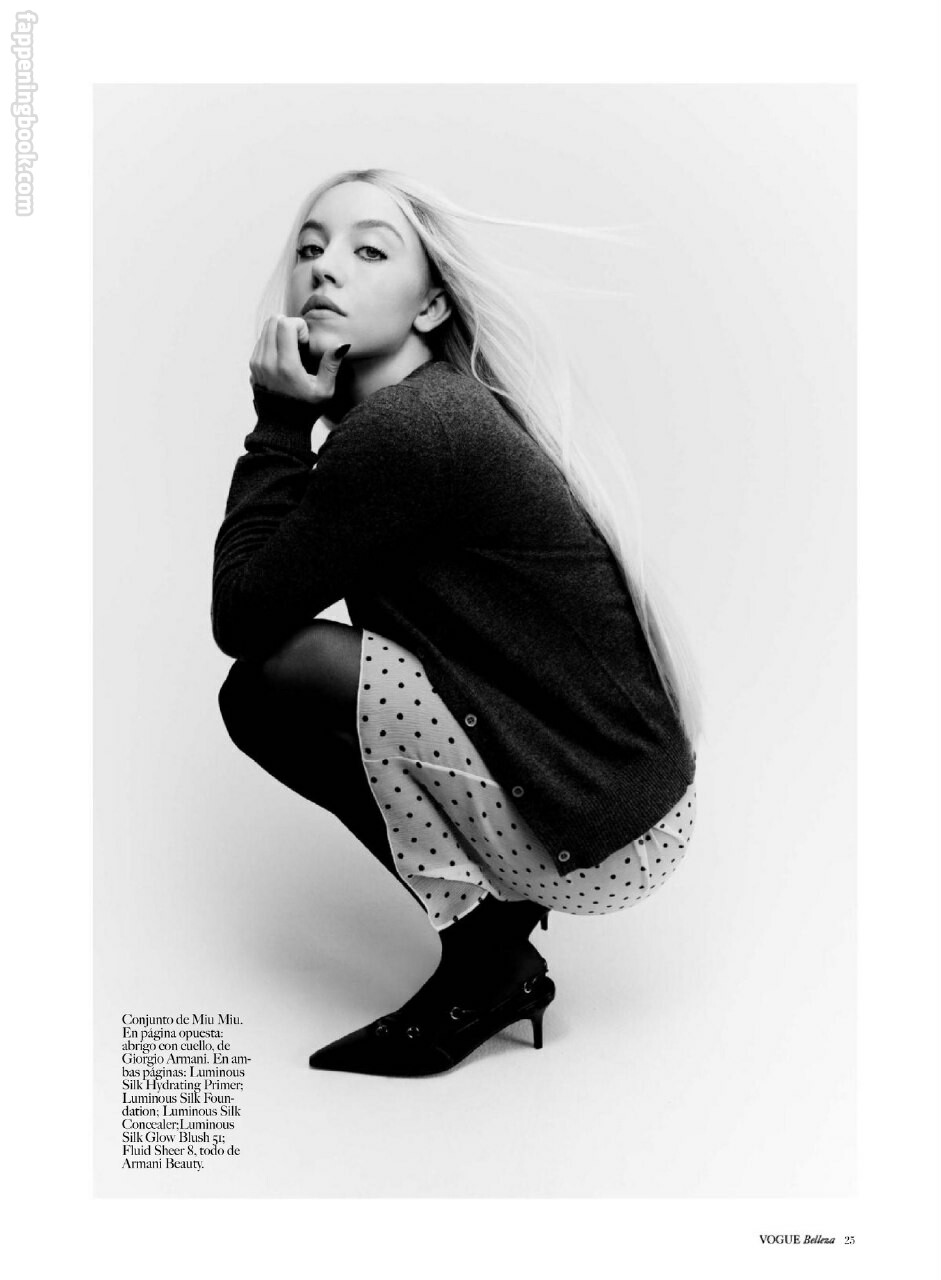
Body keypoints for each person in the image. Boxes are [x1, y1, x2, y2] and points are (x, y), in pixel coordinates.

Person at [211, 168, 703, 1078]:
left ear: (432, 304)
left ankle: (486, 964)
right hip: (619, 807)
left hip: (596, 827)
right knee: (283, 682)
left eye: (369, 250)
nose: (324, 269)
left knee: (275, 682)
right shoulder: (425, 410)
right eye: (311, 248)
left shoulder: (411, 430)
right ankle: (493, 942)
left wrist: (278, 422)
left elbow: (241, 615)